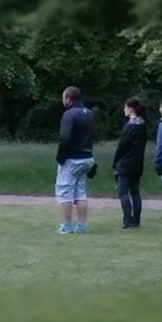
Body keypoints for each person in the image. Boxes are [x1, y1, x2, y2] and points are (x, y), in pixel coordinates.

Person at [55, 86, 96, 234]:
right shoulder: (89, 113)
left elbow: (65, 137)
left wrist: (60, 156)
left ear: (68, 99)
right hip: (87, 157)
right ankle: (83, 226)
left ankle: (67, 225)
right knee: (80, 193)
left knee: (65, 193)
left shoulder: (69, 115)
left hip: (72, 159)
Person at [111, 97, 148, 229]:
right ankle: (136, 221)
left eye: (126, 107)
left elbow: (122, 147)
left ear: (131, 108)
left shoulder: (129, 126)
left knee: (123, 191)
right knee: (135, 192)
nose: (124, 110)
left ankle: (127, 220)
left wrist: (115, 162)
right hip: (138, 163)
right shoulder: (142, 125)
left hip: (126, 163)